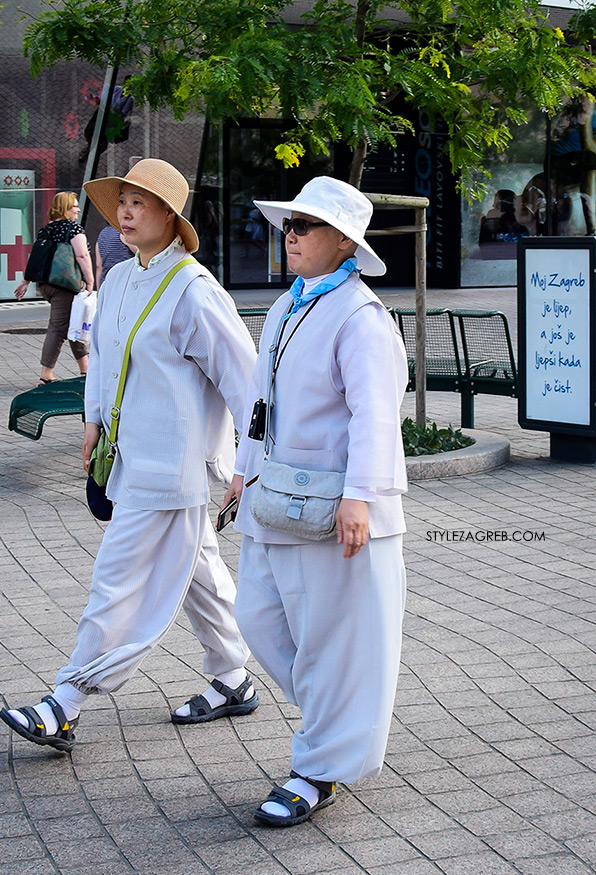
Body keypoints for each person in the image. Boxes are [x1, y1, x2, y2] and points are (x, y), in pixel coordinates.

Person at [0, 159, 259, 752]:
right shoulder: (116, 279)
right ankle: (234, 676)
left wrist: (248, 465)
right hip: (129, 458)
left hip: (175, 468)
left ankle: (65, 701)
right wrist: (92, 422)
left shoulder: (194, 291)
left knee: (117, 582)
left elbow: (248, 382)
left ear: (171, 215)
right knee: (200, 573)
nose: (125, 211)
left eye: (140, 202)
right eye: (122, 201)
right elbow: (104, 358)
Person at [223, 176, 408, 827]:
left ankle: (317, 769)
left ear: (343, 241)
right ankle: (343, 720)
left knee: (330, 640)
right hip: (276, 500)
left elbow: (376, 416)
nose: (291, 235)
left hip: (336, 512)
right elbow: (259, 404)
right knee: (258, 615)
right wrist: (243, 470)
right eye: (290, 224)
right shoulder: (287, 306)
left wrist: (360, 497)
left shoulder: (361, 317)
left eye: (305, 226)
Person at [15, 192, 94, 384]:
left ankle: (86, 370)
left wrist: (26, 281)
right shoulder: (73, 229)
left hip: (47, 285)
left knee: (73, 323)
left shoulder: (46, 230)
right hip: (64, 286)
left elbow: (36, 257)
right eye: (75, 206)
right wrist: (90, 281)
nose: (78, 209)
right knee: (58, 329)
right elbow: (82, 256)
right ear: (66, 208)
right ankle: (46, 374)